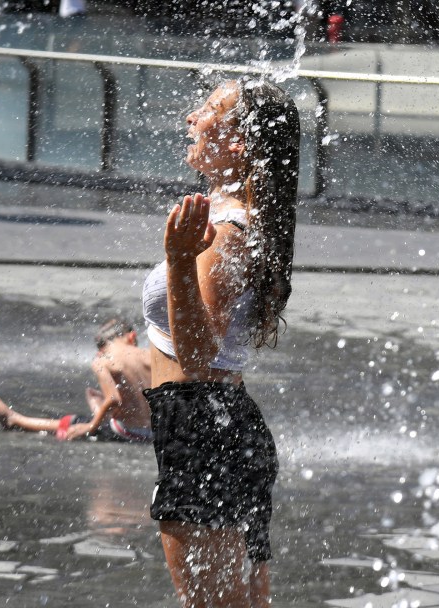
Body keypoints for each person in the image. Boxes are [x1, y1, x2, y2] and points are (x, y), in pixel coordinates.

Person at [141, 77, 299, 608]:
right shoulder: (233, 217)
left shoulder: (227, 228)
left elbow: (198, 355)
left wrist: (182, 260)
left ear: (239, 143)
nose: (191, 117)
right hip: (219, 423)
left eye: (208, 109)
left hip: (200, 426)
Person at [0, 317, 153, 442]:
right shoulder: (149, 355)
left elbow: (114, 398)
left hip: (127, 433)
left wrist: (91, 426)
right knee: (102, 402)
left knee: (76, 421)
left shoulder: (102, 360)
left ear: (99, 350)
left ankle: (14, 419)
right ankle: (100, 410)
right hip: (155, 433)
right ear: (131, 337)